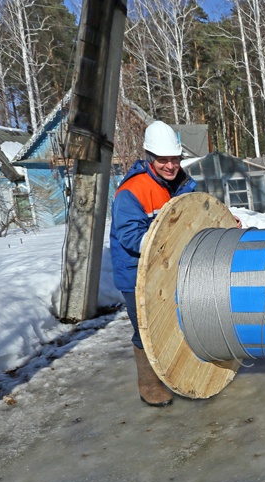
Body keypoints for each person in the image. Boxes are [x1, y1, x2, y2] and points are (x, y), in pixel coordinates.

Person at [110, 120, 196, 406]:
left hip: (171, 269)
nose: (170, 166)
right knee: (147, 328)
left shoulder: (183, 183)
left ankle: (178, 371)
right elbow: (130, 236)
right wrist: (168, 242)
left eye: (174, 159)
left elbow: (196, 214)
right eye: (163, 160)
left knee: (178, 322)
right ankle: (149, 384)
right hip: (137, 273)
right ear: (149, 158)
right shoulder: (132, 192)